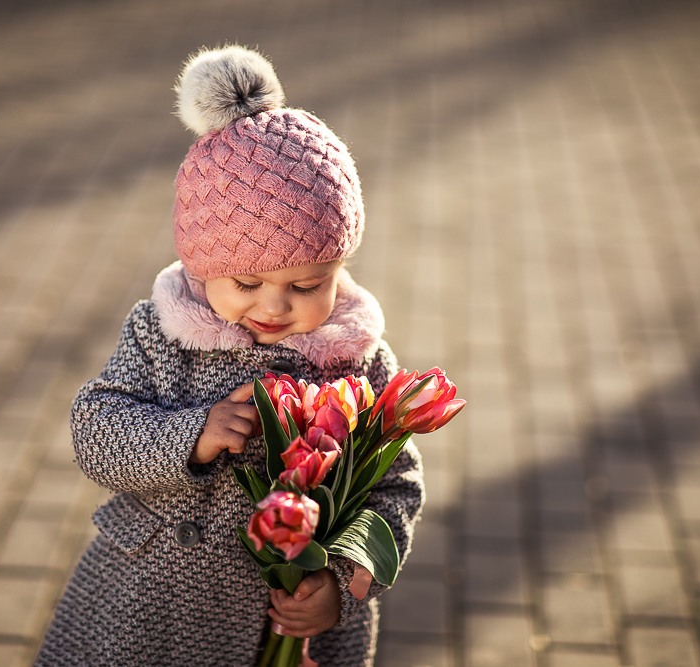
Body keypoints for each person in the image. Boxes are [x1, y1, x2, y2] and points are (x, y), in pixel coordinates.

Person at [35, 45, 425, 666]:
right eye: (247, 284)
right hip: (151, 602)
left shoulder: (357, 364)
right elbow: (95, 431)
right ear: (200, 263)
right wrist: (191, 434)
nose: (275, 307)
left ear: (338, 267)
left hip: (285, 621)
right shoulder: (162, 335)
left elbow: (396, 486)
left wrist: (343, 586)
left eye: (306, 285)